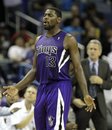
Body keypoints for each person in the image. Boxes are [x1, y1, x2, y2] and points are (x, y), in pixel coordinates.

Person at [3, 7, 95, 130]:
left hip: (59, 86)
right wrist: (17, 87)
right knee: (41, 126)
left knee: (55, 127)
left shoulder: (68, 39)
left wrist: (85, 94)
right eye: (45, 15)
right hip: (42, 87)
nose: (45, 17)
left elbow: (78, 68)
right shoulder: (38, 40)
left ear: (58, 20)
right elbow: (34, 70)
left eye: (50, 15)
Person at [72, 39, 112, 130]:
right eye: (90, 49)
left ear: (100, 52)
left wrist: (101, 82)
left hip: (99, 105)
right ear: (87, 50)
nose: (92, 51)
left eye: (95, 49)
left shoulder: (105, 65)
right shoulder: (80, 64)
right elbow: (69, 84)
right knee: (80, 128)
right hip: (84, 104)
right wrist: (73, 99)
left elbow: (109, 85)